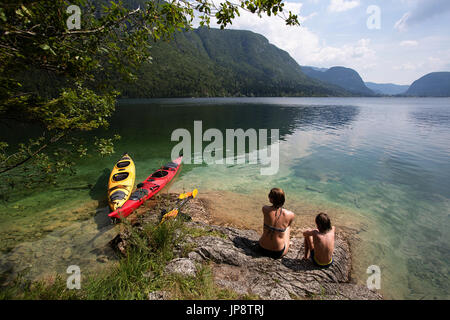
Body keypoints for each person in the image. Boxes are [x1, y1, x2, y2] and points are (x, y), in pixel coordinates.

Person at [258, 188, 295, 259]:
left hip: (261, 248)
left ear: (271, 199)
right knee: (287, 227)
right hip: (277, 252)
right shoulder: (290, 214)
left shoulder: (265, 209)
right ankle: (287, 243)